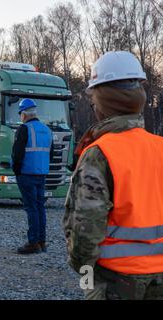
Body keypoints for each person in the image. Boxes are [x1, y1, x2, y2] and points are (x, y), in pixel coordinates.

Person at [63, 51, 163, 300]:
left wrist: (85, 273)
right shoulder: (159, 147)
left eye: (94, 98)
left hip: (115, 280)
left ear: (104, 100)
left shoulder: (100, 153)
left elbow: (86, 228)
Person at [12, 98, 53, 254]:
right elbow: (52, 154)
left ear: (24, 114)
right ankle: (42, 242)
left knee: (31, 209)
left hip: (26, 173)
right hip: (41, 173)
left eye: (20, 114)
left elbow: (17, 153)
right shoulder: (47, 130)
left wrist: (17, 171)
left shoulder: (24, 129)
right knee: (40, 207)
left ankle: (33, 242)